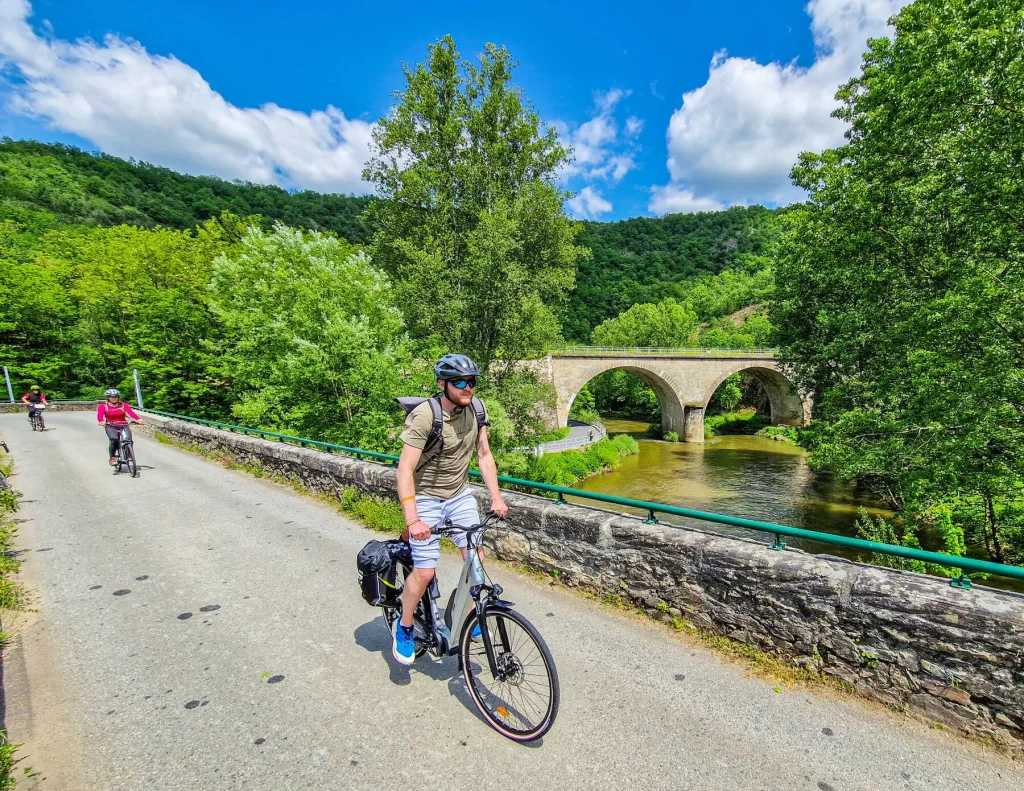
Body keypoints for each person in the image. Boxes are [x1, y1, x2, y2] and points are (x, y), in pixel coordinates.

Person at [392, 354, 509, 665]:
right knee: (425, 571)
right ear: (442, 384)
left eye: (471, 381)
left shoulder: (478, 410)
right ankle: (403, 626)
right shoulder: (426, 416)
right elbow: (404, 471)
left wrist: (496, 498)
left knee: (476, 560)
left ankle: (470, 618)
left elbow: (484, 455)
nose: (467, 387)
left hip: (458, 494)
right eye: (459, 382)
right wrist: (413, 518)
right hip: (426, 498)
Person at [96, 389, 142, 466]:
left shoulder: (123, 405)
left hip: (123, 425)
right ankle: (112, 458)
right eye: (112, 397)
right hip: (110, 426)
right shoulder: (103, 406)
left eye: (116, 397)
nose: (114, 398)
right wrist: (101, 421)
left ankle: (129, 452)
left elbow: (131, 413)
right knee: (114, 440)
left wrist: (138, 419)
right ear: (108, 398)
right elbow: (100, 415)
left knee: (129, 440)